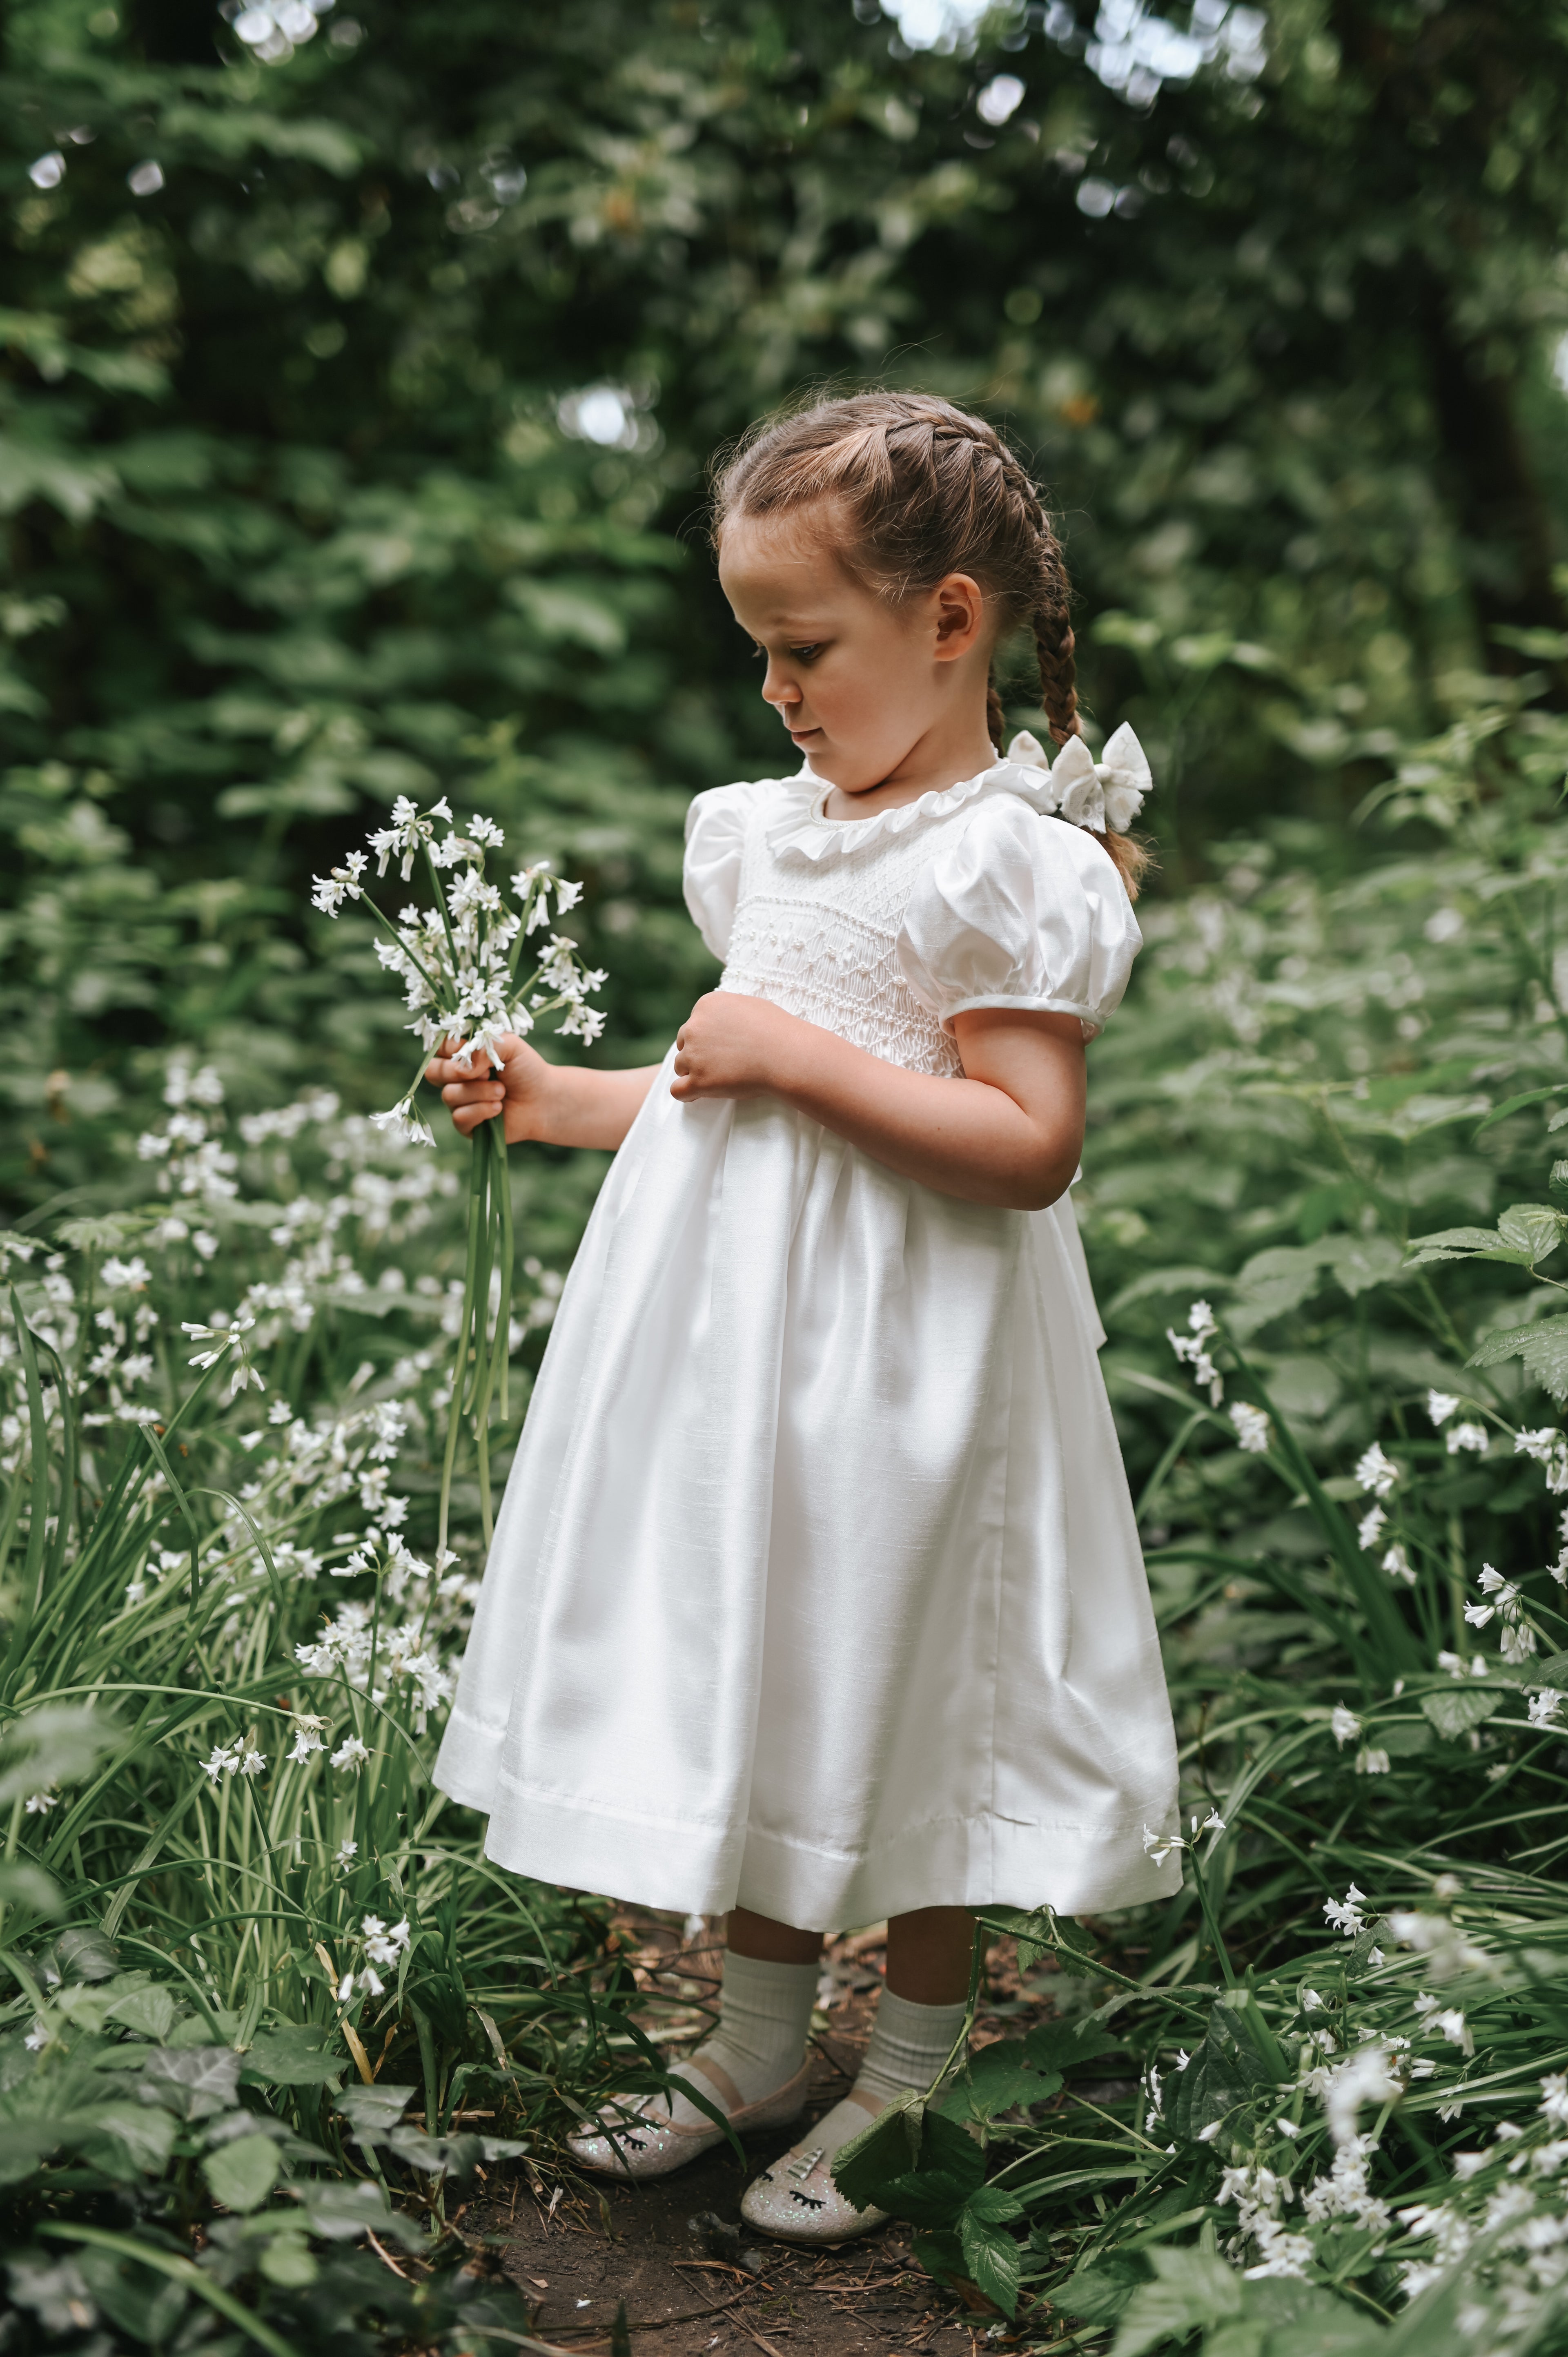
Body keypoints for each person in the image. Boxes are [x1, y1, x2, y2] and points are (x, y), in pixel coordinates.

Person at [426, 391, 1180, 2244]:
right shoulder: (774, 834)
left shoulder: (1003, 863)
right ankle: (760, 2041)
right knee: (781, 1656)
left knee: (911, 1675)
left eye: (804, 648)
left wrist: (792, 1051)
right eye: (757, 651)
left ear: (949, 622)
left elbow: (1024, 1146)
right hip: (746, 1361)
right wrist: (557, 1094)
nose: (776, 692)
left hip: (910, 1361)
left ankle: (912, 2070)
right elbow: (721, 1092)